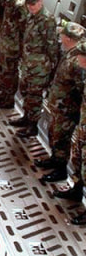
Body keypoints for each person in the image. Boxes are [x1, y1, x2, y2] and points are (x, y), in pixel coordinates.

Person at [34, 21, 86, 183]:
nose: (60, 35)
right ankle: (55, 160)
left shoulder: (77, 62)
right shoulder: (70, 53)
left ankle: (60, 170)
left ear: (68, 38)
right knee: (55, 136)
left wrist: (71, 110)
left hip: (67, 110)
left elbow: (80, 90)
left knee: (61, 140)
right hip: (59, 107)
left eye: (63, 34)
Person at [9, 0, 59, 138]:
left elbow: (52, 47)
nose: (31, 7)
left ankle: (32, 127)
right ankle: (26, 117)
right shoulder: (32, 16)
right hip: (28, 64)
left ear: (40, 1)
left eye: (33, 4)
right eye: (29, 4)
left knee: (35, 97)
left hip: (39, 68)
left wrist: (51, 68)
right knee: (25, 91)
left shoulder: (47, 20)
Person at [57, 40, 86, 222]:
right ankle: (76, 190)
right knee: (78, 160)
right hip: (83, 127)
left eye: (80, 56)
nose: (77, 59)